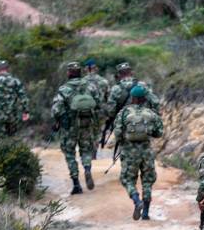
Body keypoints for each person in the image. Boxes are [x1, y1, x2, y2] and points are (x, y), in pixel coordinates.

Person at [50, 61, 102, 194]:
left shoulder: (64, 89)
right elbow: (98, 104)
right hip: (86, 124)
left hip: (69, 127)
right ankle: (87, 169)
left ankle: (76, 184)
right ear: (80, 72)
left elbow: (56, 109)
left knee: (70, 154)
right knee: (85, 150)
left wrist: (57, 122)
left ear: (69, 73)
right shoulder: (90, 86)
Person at [113, 85, 163, 220]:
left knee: (127, 180)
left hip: (129, 152)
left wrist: (123, 141)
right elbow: (159, 133)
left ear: (132, 98)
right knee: (147, 181)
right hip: (146, 152)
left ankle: (136, 201)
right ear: (143, 99)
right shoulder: (151, 113)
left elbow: (117, 133)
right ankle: (146, 213)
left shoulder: (123, 113)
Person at [0, 60, 29, 138]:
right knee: (12, 138)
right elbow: (23, 97)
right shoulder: (15, 81)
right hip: (12, 114)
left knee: (0, 140)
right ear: (7, 68)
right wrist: (25, 111)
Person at [84, 58, 110, 158]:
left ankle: (87, 151)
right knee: (98, 132)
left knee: (87, 131)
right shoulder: (104, 82)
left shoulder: (82, 82)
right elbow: (108, 97)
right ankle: (94, 151)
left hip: (86, 111)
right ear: (96, 68)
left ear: (86, 69)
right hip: (100, 111)